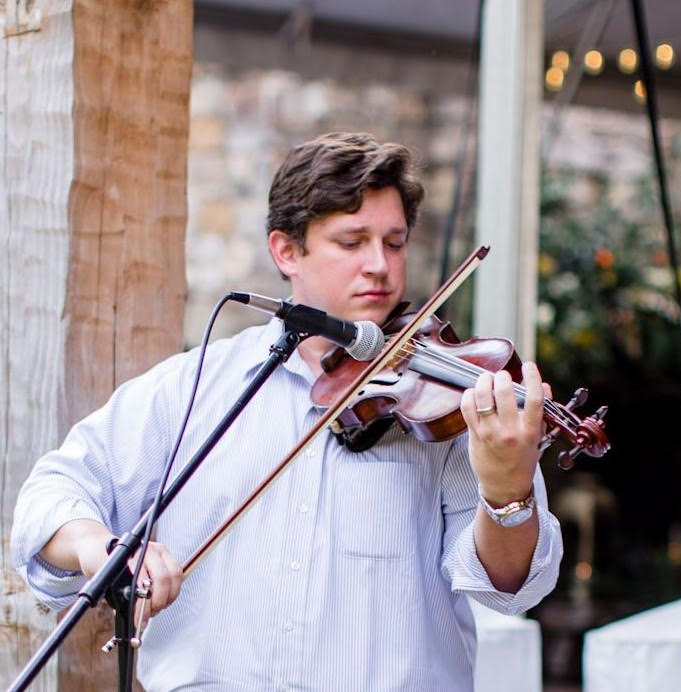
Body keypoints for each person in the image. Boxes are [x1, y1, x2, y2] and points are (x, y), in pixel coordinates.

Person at [12, 132, 562, 691]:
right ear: (286, 251)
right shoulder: (194, 387)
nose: (380, 266)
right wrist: (96, 546)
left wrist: (507, 494)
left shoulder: (444, 406)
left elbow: (510, 586)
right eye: (352, 242)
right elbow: (51, 494)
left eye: (394, 243)